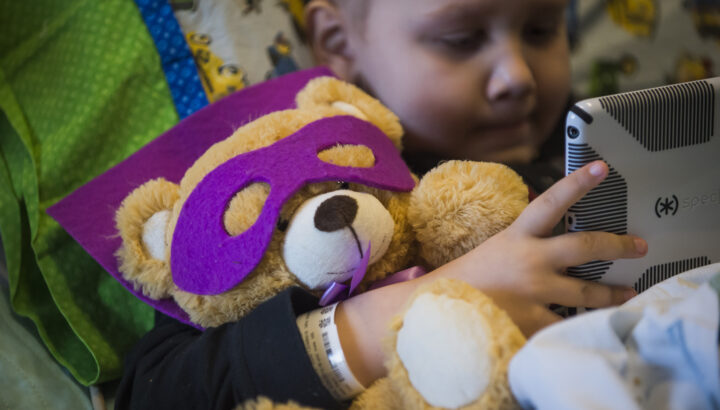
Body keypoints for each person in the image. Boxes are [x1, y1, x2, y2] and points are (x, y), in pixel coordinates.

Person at [116, 1, 647, 408]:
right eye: (460, 39)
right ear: (338, 42)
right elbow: (154, 389)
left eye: (540, 29)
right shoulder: (313, 199)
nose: (519, 77)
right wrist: (398, 311)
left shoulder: (605, 154)